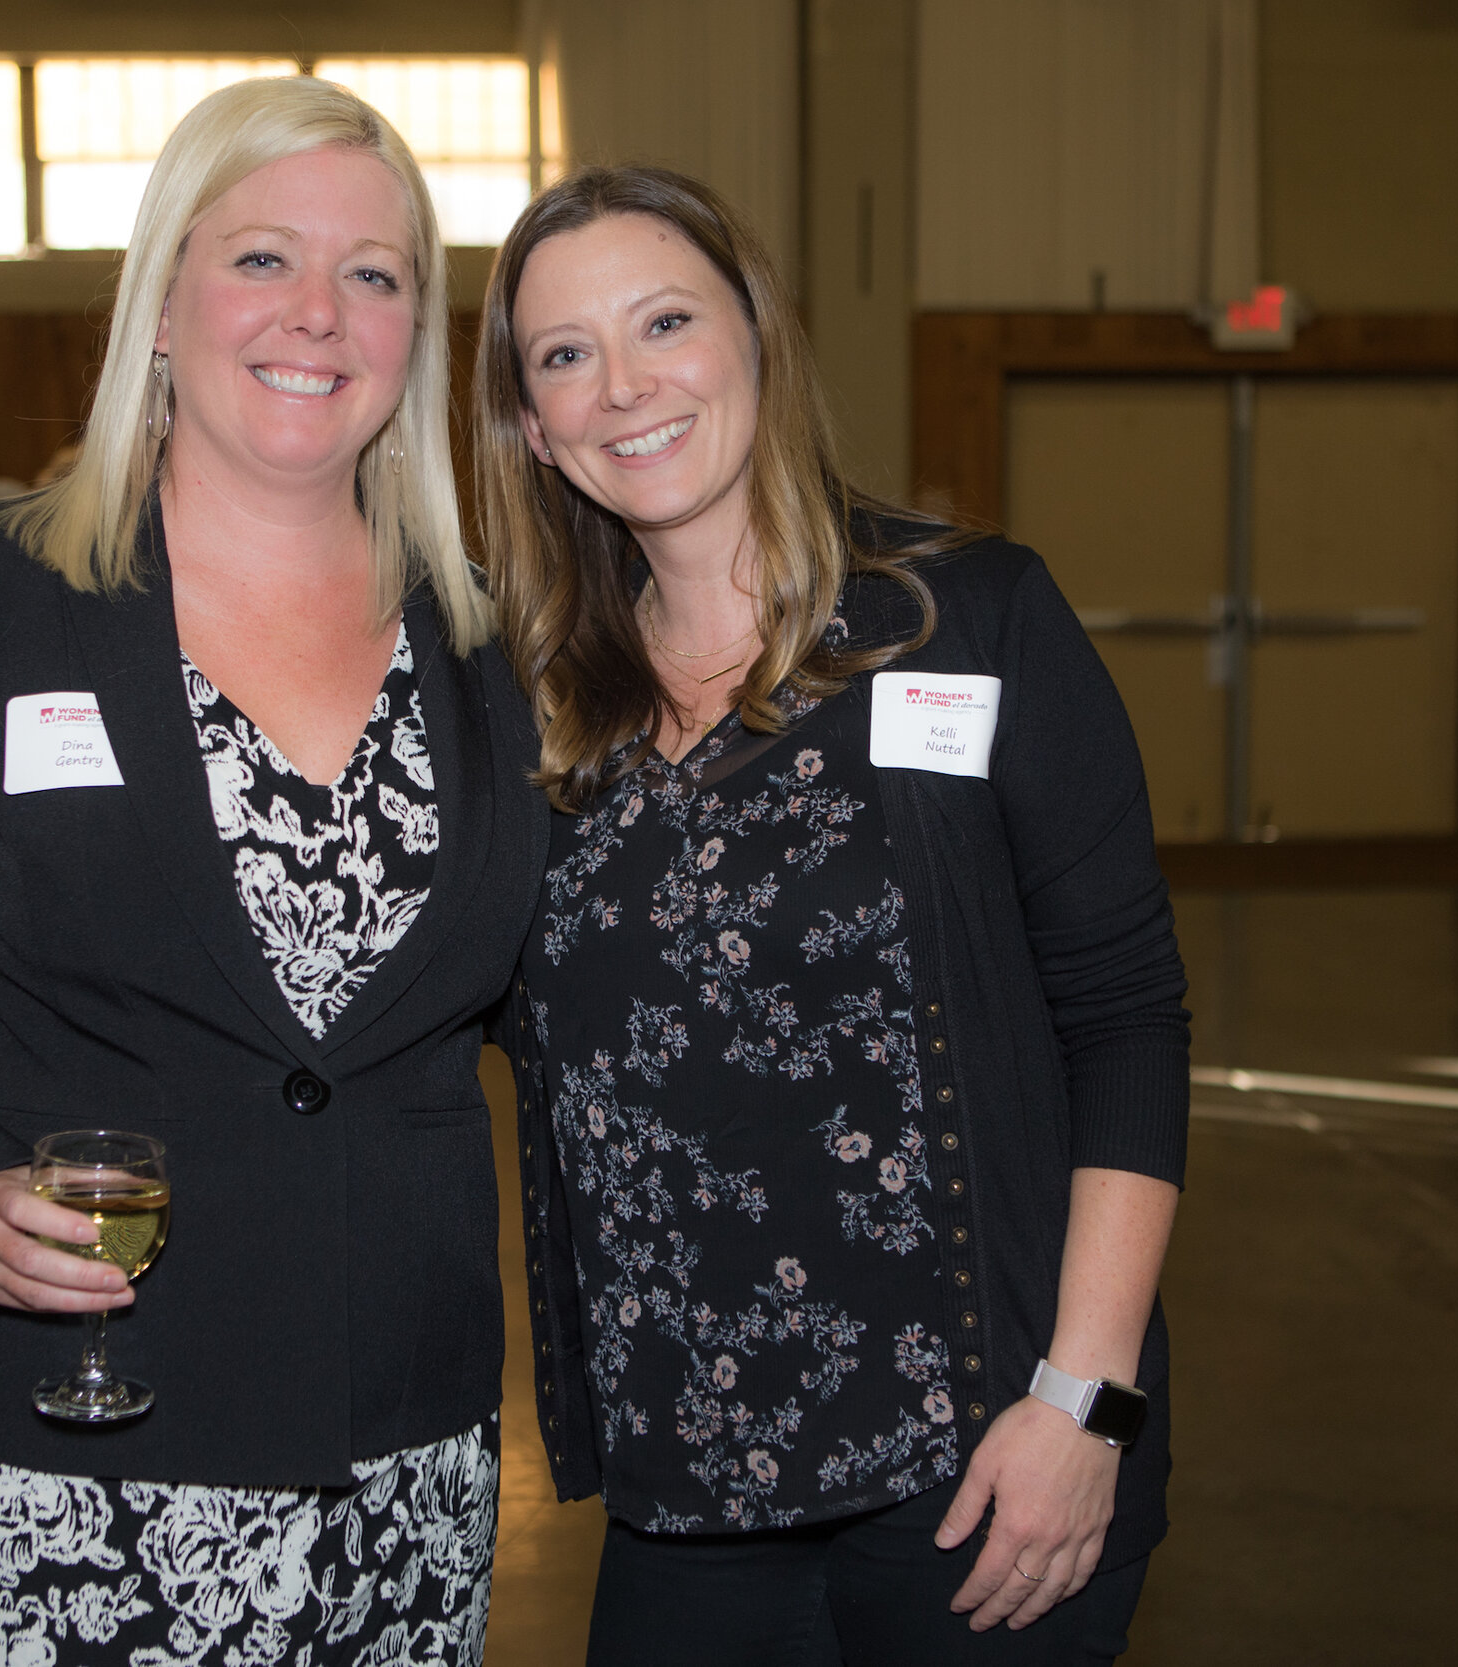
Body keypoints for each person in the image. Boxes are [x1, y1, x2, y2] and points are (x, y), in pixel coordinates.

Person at [0, 77, 546, 1666]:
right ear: (162, 301)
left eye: (374, 274)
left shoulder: (489, 644)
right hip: (70, 1443)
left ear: (415, 336)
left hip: (408, 1456)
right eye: (262, 258)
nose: (319, 313)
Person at [476, 167, 1188, 1666]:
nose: (626, 385)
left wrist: (1086, 1400)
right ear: (533, 427)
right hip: (686, 1491)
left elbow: (1123, 1015)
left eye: (665, 320)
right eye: (565, 353)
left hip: (985, 1466)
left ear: (758, 337)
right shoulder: (534, 719)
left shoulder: (967, 617)